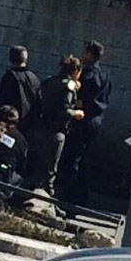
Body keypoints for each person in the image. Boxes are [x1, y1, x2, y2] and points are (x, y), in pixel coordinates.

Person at [59, 40, 111, 207]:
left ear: (89, 54)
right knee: (84, 160)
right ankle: (81, 198)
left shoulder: (87, 75)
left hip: (82, 121)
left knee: (72, 159)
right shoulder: (104, 75)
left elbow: (79, 99)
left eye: (84, 52)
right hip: (96, 122)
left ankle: (69, 199)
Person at [31, 55, 85, 196]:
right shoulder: (68, 86)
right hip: (56, 130)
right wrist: (76, 113)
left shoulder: (49, 81)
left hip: (41, 126)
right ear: (76, 71)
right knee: (50, 168)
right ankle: (45, 195)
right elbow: (64, 109)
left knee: (38, 163)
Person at [0, 45, 41, 135]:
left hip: (12, 125)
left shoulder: (9, 77)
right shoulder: (34, 77)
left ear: (10, 58)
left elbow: (3, 101)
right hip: (29, 126)